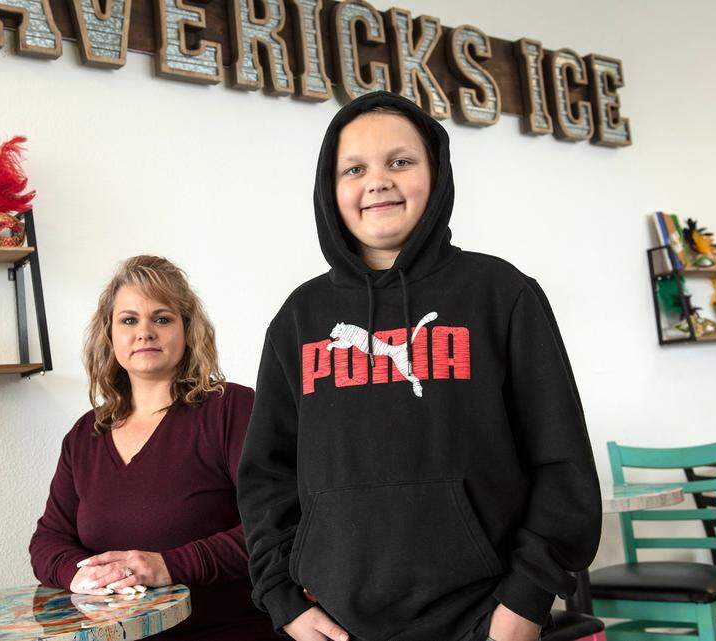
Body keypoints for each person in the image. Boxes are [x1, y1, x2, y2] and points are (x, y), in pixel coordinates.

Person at [236, 91, 602, 641]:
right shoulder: (298, 318)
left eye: (400, 162)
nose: (377, 181)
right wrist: (282, 601)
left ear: (436, 174)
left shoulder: (501, 295)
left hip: (483, 620)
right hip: (335, 626)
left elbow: (562, 465)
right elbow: (266, 479)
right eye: (354, 168)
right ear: (329, 189)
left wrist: (525, 602)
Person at [30, 255, 274, 639]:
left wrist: (167, 566)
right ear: (109, 336)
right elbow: (48, 540)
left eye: (162, 318)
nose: (145, 332)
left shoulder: (230, 409)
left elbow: (274, 526)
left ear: (187, 330)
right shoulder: (85, 436)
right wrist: (82, 574)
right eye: (129, 320)